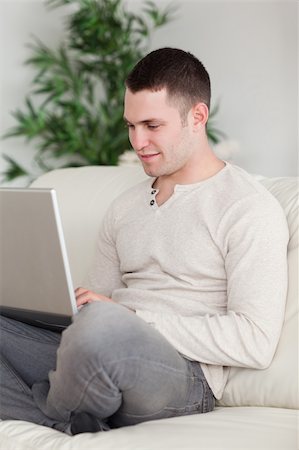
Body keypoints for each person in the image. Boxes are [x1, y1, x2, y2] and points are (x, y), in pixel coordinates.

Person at [0, 47, 289, 435]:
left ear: (197, 117)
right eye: (131, 126)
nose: (138, 142)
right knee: (90, 325)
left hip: (182, 374)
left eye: (152, 126)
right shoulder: (125, 207)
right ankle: (74, 416)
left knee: (100, 327)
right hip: (100, 354)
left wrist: (131, 319)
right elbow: (88, 317)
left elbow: (254, 340)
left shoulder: (247, 207)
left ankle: (53, 410)